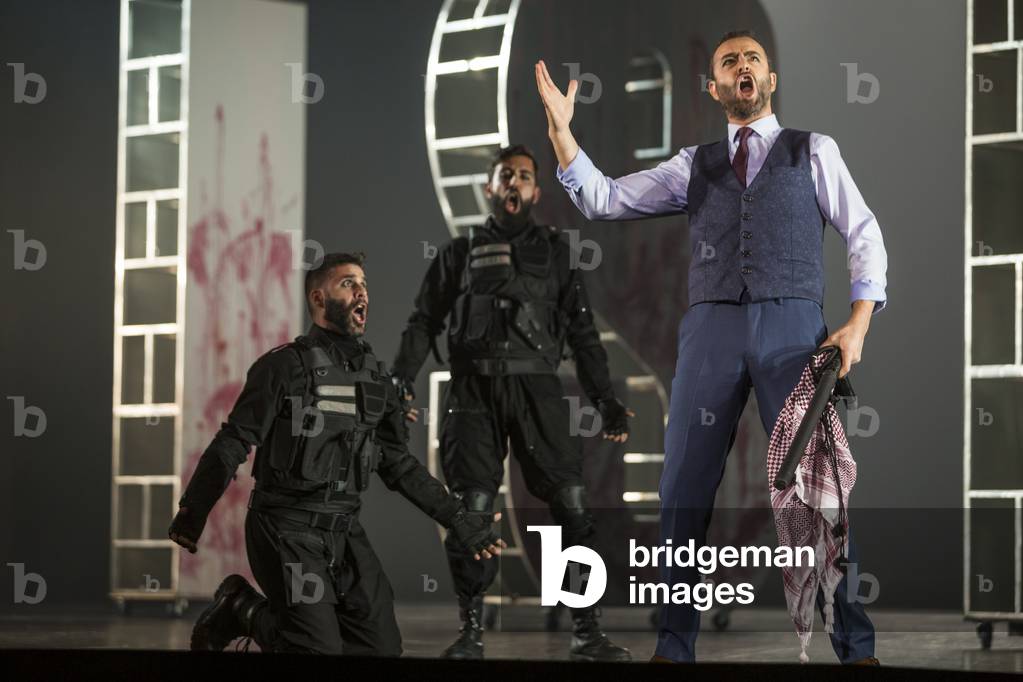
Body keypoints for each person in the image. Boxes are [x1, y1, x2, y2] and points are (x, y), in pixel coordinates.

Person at [535, 30, 886, 665]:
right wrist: (563, 132)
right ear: (714, 86)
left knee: (817, 489)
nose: (743, 67)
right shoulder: (693, 164)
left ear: (770, 79)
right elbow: (605, 199)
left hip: (793, 328)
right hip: (709, 332)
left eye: (753, 59)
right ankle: (673, 649)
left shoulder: (814, 150)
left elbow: (863, 232)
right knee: (682, 491)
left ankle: (856, 650)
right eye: (730, 62)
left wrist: (858, 321)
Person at [168, 252, 505, 655]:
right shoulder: (282, 367)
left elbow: (397, 464)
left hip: (343, 530)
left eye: (364, 283)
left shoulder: (375, 377)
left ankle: (255, 612)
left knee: (380, 650)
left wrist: (458, 518)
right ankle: (241, 609)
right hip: (284, 528)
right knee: (316, 650)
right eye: (348, 283)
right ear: (317, 298)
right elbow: (233, 441)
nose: (361, 291)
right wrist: (193, 511)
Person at [390, 145, 632, 662]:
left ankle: (587, 630)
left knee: (572, 505)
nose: (515, 184)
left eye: (524, 176)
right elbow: (422, 324)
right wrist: (398, 384)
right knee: (473, 509)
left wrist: (604, 399)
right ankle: (471, 630)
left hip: (537, 391)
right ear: (490, 188)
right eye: (506, 176)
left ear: (537, 191)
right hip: (473, 391)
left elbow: (584, 333)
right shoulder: (458, 253)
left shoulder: (558, 254)